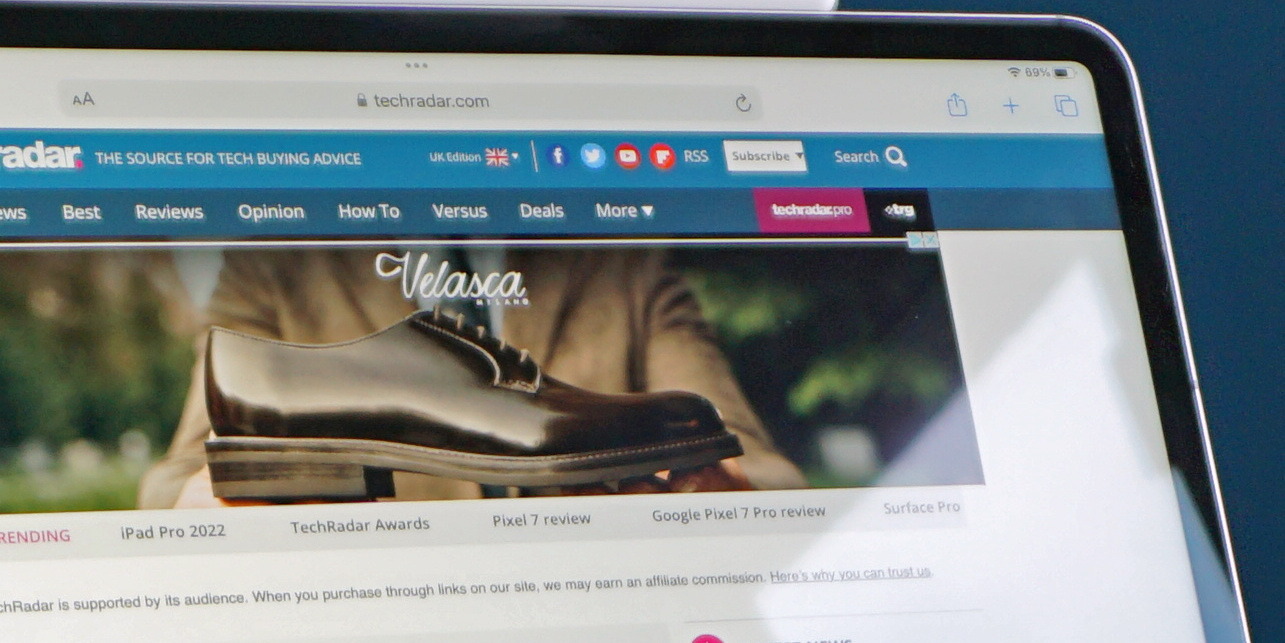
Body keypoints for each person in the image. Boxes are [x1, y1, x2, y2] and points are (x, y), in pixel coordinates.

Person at [141, 244, 805, 507]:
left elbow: (762, 465)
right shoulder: (279, 265)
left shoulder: (621, 264)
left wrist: (724, 491)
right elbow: (174, 481)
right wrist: (212, 505)